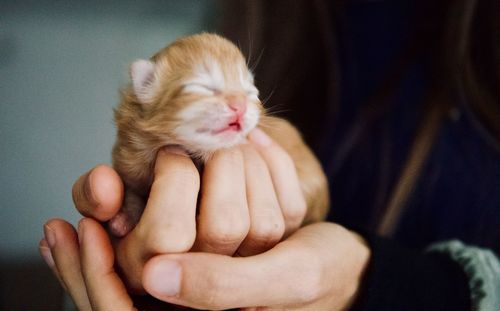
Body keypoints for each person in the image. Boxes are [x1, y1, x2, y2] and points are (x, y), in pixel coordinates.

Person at [39, 0, 499, 310]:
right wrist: (117, 269)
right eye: (205, 88)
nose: (242, 104)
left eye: (251, 90)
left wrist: (388, 286)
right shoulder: (259, 18)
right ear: (146, 89)